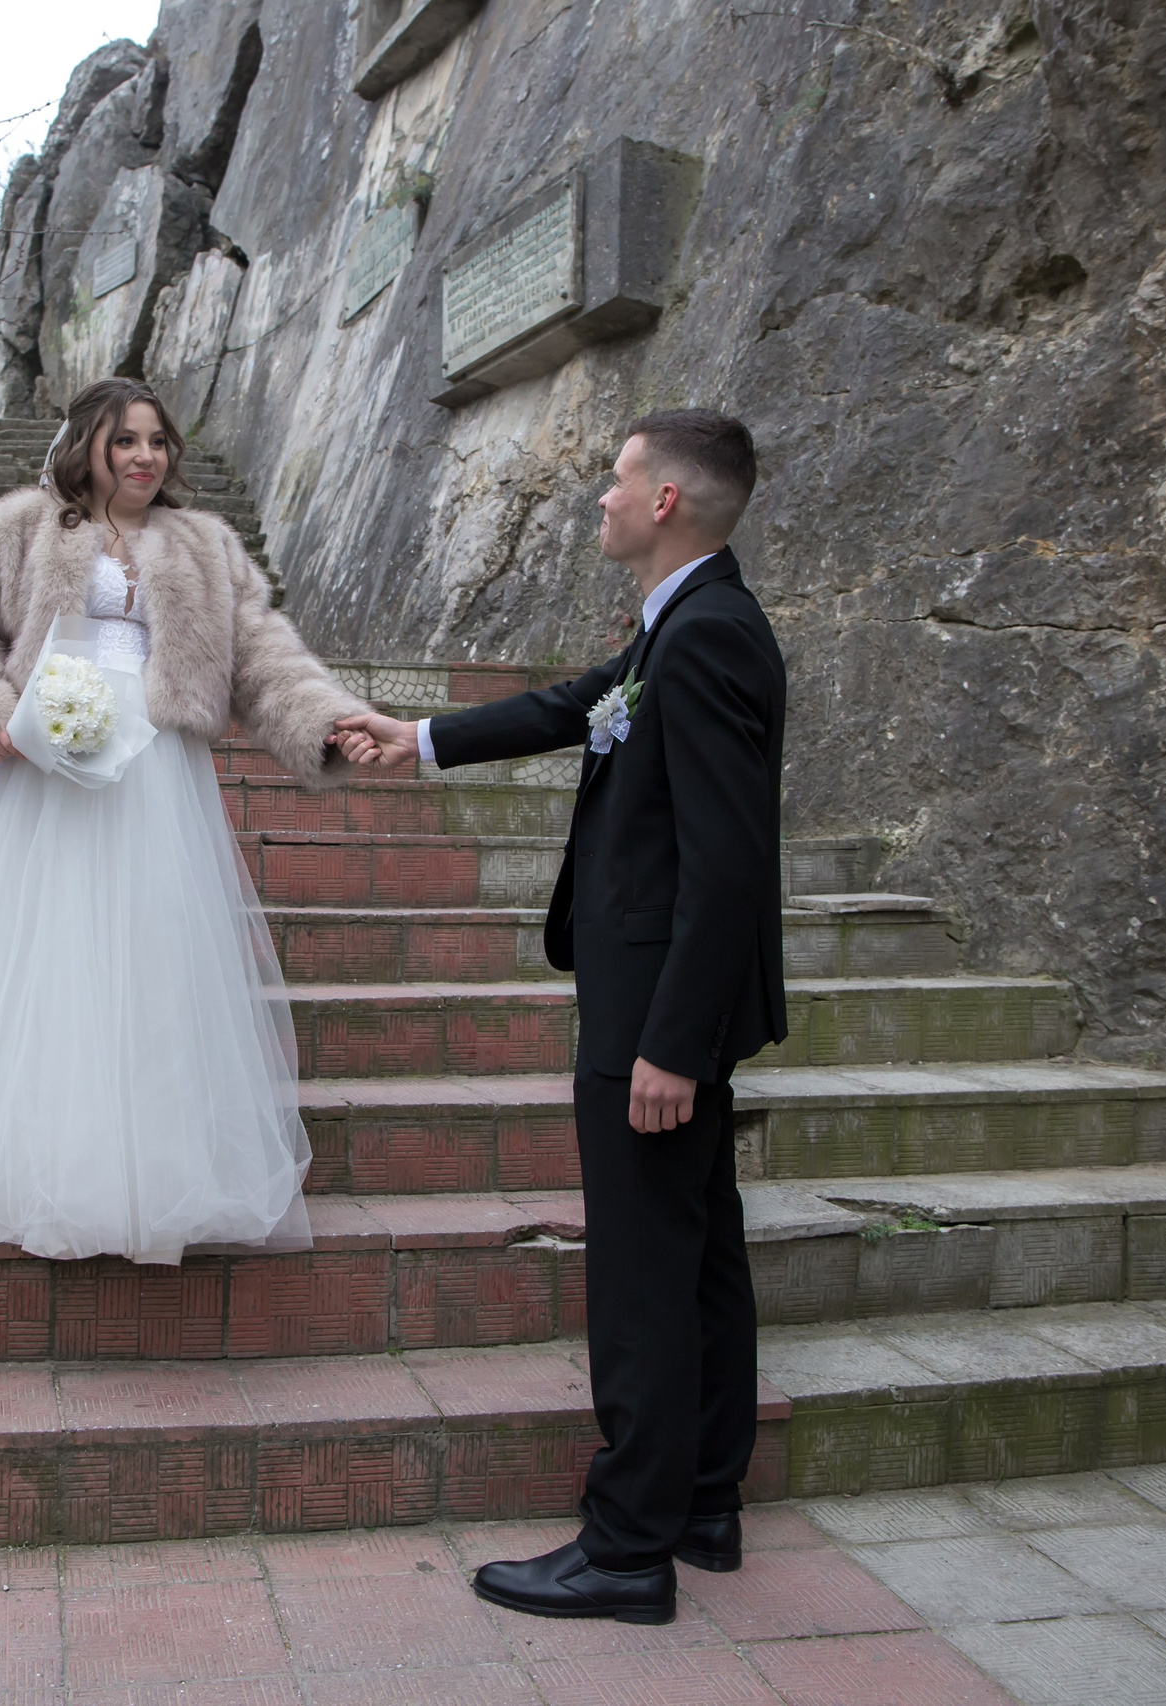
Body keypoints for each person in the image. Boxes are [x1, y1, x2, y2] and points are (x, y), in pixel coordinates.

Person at [335, 409, 785, 1627]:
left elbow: (730, 866)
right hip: (655, 1000)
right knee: (696, 1257)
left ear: (664, 505)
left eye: (618, 477)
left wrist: (671, 1043)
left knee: (643, 1272)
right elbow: (573, 705)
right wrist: (415, 736)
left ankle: (625, 1545)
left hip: (653, 1013)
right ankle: (700, 1499)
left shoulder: (705, 639)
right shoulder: (678, 623)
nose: (598, 494)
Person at [0, 378, 370, 1267]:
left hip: (155, 770)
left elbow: (260, 652)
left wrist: (323, 722)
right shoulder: (23, 527)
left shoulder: (202, 544)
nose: (145, 456)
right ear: (89, 448)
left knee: (147, 961)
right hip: (44, 769)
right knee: (41, 955)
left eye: (157, 441)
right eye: (125, 442)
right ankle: (26, 1163)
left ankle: (143, 1171)